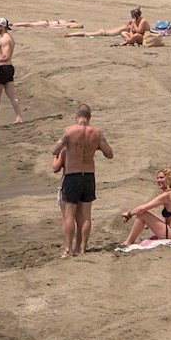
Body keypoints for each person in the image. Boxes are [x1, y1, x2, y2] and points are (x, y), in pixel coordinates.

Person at [51, 103, 114, 257]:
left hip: (73, 175)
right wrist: (95, 147)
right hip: (89, 176)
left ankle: (68, 249)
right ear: (90, 117)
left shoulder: (70, 131)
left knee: (69, 214)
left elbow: (55, 150)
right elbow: (109, 153)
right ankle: (83, 248)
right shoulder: (97, 133)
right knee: (86, 215)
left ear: (76, 116)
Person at [120, 165, 171, 247]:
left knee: (143, 214)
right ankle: (129, 241)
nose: (158, 180)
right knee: (147, 213)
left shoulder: (167, 195)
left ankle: (128, 242)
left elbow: (143, 208)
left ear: (168, 179)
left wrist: (129, 214)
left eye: (161, 178)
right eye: (157, 178)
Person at [0, 17, 24, 123]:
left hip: (3, 68)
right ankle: (19, 117)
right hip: (8, 68)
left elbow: (6, 56)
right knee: (12, 95)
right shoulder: (7, 37)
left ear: (3, 27)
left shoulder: (5, 39)